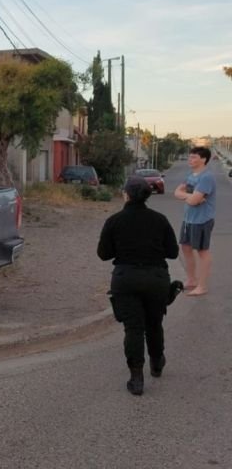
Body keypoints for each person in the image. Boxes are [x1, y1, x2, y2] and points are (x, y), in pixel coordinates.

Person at [97, 176, 179, 396]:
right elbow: (173, 252)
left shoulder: (114, 221)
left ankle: (136, 378)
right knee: (154, 324)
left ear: (126, 195)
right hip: (156, 278)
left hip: (126, 278)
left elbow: (103, 254)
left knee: (133, 328)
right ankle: (157, 362)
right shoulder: (160, 220)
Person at [173, 146, 216, 296]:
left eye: (193, 157)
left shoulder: (206, 177)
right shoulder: (190, 175)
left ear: (203, 159)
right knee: (186, 248)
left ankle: (202, 286)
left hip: (202, 220)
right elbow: (177, 192)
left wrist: (188, 197)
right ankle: (191, 280)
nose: (190, 159)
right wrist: (189, 196)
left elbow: (193, 201)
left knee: (202, 251)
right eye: (190, 156)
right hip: (188, 219)